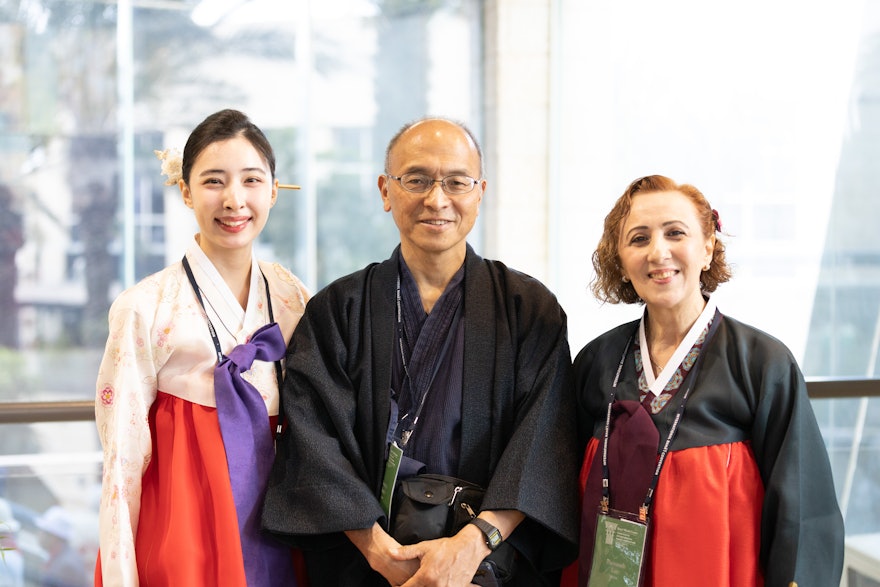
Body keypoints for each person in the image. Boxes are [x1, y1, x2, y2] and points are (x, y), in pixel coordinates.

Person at [262, 117, 579, 586]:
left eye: (456, 181)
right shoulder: (338, 309)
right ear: (385, 191)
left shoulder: (529, 310)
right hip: (368, 565)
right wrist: (377, 550)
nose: (437, 198)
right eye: (416, 179)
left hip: (489, 565)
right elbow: (313, 441)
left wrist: (470, 547)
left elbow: (545, 443)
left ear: (480, 192)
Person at [566, 175, 844, 587]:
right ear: (621, 261)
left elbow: (803, 508)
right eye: (638, 239)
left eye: (675, 233)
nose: (658, 252)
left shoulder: (762, 362)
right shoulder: (596, 361)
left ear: (708, 246)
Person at [94, 109, 310, 586]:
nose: (235, 200)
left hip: (278, 518)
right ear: (186, 190)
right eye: (214, 181)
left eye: (252, 180)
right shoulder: (144, 307)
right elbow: (122, 460)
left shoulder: (293, 296)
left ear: (273, 190)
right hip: (185, 523)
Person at [36, 506, 89, 587]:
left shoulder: (66, 566)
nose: (40, 535)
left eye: (44, 532)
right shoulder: (61, 556)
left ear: (54, 536)